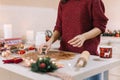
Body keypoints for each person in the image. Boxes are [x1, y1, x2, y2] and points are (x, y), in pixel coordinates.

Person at [39, 0, 108, 80]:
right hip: (65, 57)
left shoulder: (94, 1)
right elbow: (59, 27)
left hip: (87, 58)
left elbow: (100, 27)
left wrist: (84, 36)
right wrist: (49, 42)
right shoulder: (63, 2)